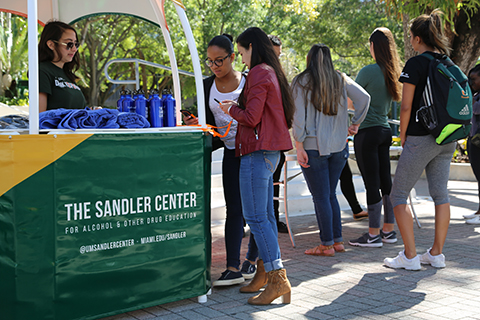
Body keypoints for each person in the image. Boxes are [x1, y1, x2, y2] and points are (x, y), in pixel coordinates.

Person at [219, 27, 294, 305]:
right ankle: (267, 275)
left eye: (241, 53)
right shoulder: (270, 71)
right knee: (265, 217)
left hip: (257, 152)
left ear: (251, 47)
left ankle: (276, 278)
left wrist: (230, 110)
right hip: (267, 152)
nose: (241, 60)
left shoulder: (260, 72)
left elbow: (250, 116)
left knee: (256, 218)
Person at [183, 34, 258, 286]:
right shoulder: (206, 86)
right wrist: (196, 123)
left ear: (233, 57)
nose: (214, 66)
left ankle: (253, 261)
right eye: (210, 62)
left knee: (258, 210)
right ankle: (232, 267)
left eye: (219, 61)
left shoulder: (249, 83)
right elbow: (209, 124)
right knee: (234, 210)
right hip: (230, 152)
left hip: (255, 152)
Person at [384, 10, 456, 270]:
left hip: (421, 137)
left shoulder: (415, 63)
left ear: (415, 39)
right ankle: (436, 254)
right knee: (440, 195)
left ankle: (410, 256)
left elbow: (406, 107)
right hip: (448, 138)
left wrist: (402, 135)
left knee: (398, 196)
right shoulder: (449, 63)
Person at [292, 44, 369, 257]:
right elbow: (364, 98)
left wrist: (299, 145)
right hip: (339, 145)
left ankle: (326, 245)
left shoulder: (301, 81)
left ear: (309, 59)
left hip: (312, 146)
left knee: (321, 197)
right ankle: (337, 241)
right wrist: (356, 123)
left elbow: (298, 117)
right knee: (330, 194)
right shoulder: (340, 78)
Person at [349, 27, 402, 247]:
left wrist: (352, 123)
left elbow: (352, 100)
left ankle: (372, 235)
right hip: (384, 131)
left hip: (367, 132)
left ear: (374, 46)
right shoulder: (394, 72)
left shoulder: (369, 71)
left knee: (371, 184)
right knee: (385, 183)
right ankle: (388, 232)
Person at [38, 20, 87, 112]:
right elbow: (40, 117)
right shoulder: (42, 71)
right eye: (69, 44)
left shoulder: (67, 74)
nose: (74, 49)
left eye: (76, 44)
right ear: (51, 44)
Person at [268, 34, 288, 233]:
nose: (277, 59)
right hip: (261, 140)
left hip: (278, 139)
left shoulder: (280, 75)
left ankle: (274, 217)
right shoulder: (253, 74)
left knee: (275, 181)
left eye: (279, 55)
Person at [463, 64, 480, 224]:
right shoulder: (476, 94)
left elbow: (472, 110)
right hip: (474, 141)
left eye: (474, 79)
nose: (470, 82)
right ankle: (479, 211)